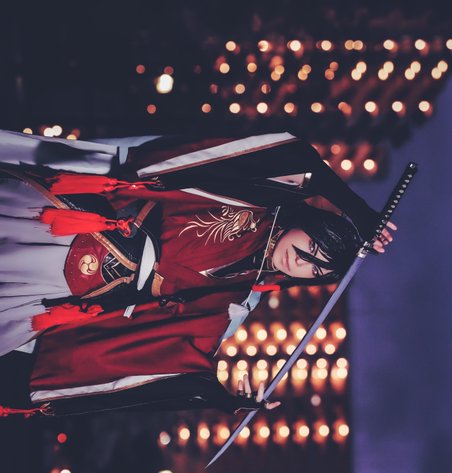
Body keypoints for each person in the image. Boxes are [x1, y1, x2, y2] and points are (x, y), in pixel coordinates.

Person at [0, 130, 395, 416]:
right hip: (74, 219)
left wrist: (223, 398)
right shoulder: (261, 199)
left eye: (317, 268)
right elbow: (296, 156)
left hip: (70, 290)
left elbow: (185, 352)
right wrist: (358, 211)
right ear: (309, 222)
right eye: (315, 246)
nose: (305, 261)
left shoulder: (241, 295)